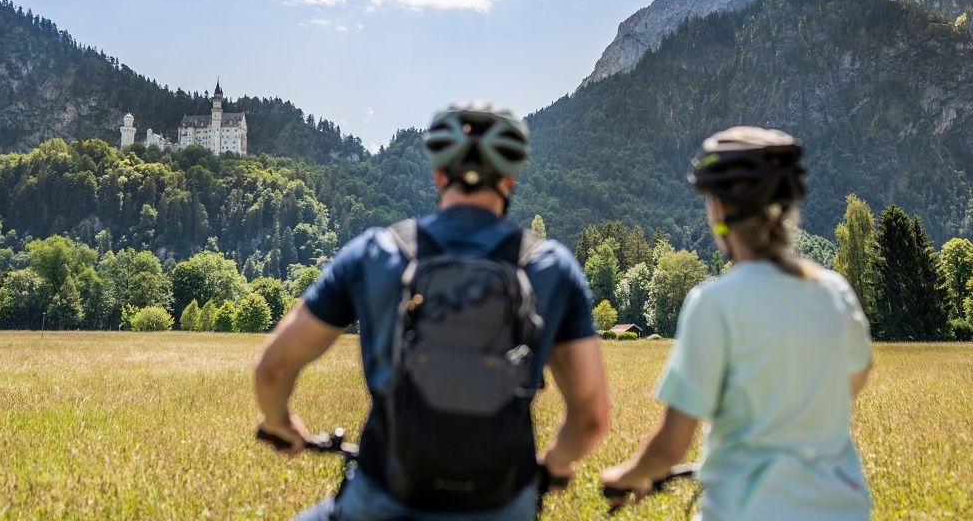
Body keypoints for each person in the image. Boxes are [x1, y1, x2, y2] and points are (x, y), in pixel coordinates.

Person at [255, 102, 611, 520]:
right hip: (501, 506)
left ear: (438, 174)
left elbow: (274, 367)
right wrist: (553, 467)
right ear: (511, 179)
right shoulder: (550, 266)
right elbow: (589, 417)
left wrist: (281, 423)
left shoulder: (377, 252)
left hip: (383, 501)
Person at [601, 126, 873, 520]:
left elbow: (672, 446)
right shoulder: (834, 291)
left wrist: (629, 475)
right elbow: (857, 376)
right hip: (841, 508)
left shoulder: (714, 301)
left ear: (719, 210)